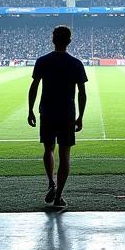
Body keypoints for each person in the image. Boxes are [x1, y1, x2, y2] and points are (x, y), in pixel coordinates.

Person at [27, 25, 88, 208]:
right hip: (67, 112)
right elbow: (82, 92)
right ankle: (58, 196)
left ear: (53, 39)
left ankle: (51, 183)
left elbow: (34, 87)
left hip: (47, 110)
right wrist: (81, 116)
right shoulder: (76, 63)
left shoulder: (42, 61)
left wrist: (30, 110)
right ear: (69, 41)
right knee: (65, 154)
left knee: (48, 149)